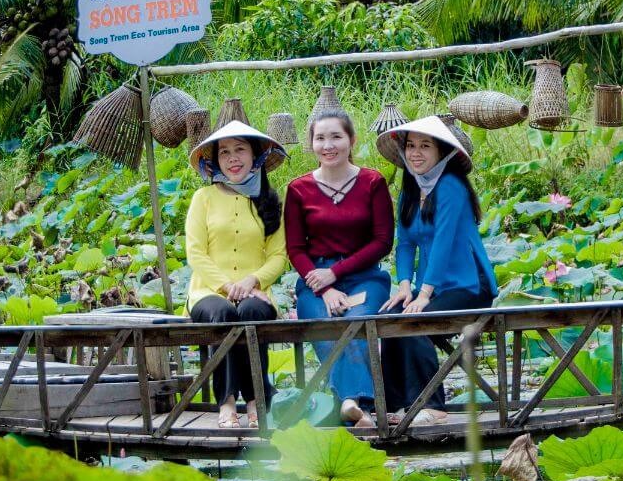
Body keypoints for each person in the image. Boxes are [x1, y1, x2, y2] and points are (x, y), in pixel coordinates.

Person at [377, 116, 497, 424]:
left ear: (441, 151)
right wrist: (405, 287)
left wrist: (424, 293)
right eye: (411, 146)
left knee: (417, 321)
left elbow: (443, 243)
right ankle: (395, 405)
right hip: (433, 286)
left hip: (469, 286)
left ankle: (432, 406)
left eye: (425, 146)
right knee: (390, 318)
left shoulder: (452, 186)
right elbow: (404, 243)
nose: (416, 153)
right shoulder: (409, 189)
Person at [284, 110, 394, 427]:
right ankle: (357, 404)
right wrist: (325, 286)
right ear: (312, 144)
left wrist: (338, 273)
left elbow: (383, 241)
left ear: (351, 140)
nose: (328, 145)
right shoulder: (298, 189)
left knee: (357, 322)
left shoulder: (372, 182)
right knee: (324, 323)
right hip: (315, 278)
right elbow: (295, 249)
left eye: (336, 137)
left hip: (364, 275)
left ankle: (349, 401)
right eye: (320, 138)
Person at [184, 120, 288, 429]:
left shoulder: (269, 201)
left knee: (251, 310)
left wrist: (251, 281)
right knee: (226, 313)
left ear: (255, 155)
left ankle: (256, 399)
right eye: (225, 152)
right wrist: (226, 285)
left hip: (256, 293)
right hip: (208, 294)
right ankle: (227, 401)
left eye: (240, 150)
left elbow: (278, 256)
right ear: (214, 161)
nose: (233, 159)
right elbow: (195, 252)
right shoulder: (202, 199)